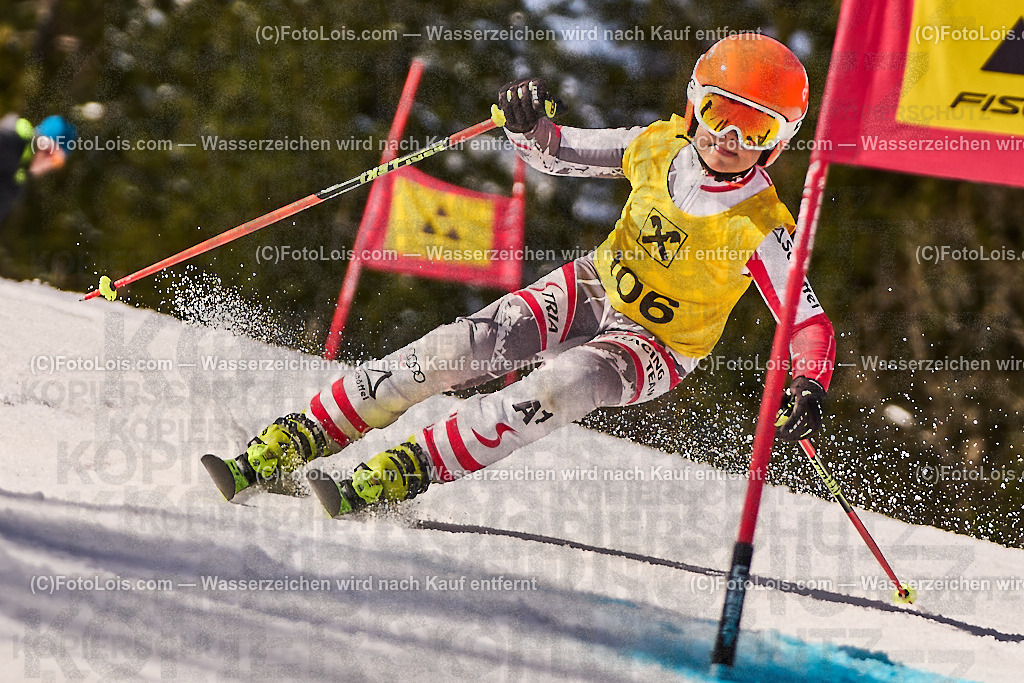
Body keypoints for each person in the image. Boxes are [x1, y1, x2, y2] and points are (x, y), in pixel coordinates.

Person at [212, 34, 836, 515]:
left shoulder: (762, 225)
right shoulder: (657, 147)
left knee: (558, 388)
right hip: (594, 286)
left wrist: (809, 382)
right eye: (720, 111)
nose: (729, 136)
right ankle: (303, 434)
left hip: (658, 345)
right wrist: (527, 125)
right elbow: (557, 151)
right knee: (463, 345)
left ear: (778, 142)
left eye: (754, 127)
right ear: (694, 105)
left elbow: (807, 322)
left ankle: (407, 468)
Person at [0, 114, 77, 224]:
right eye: (50, 153)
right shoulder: (10, 139)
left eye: (56, 162)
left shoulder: (18, 179)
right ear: (40, 141)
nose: (48, 163)